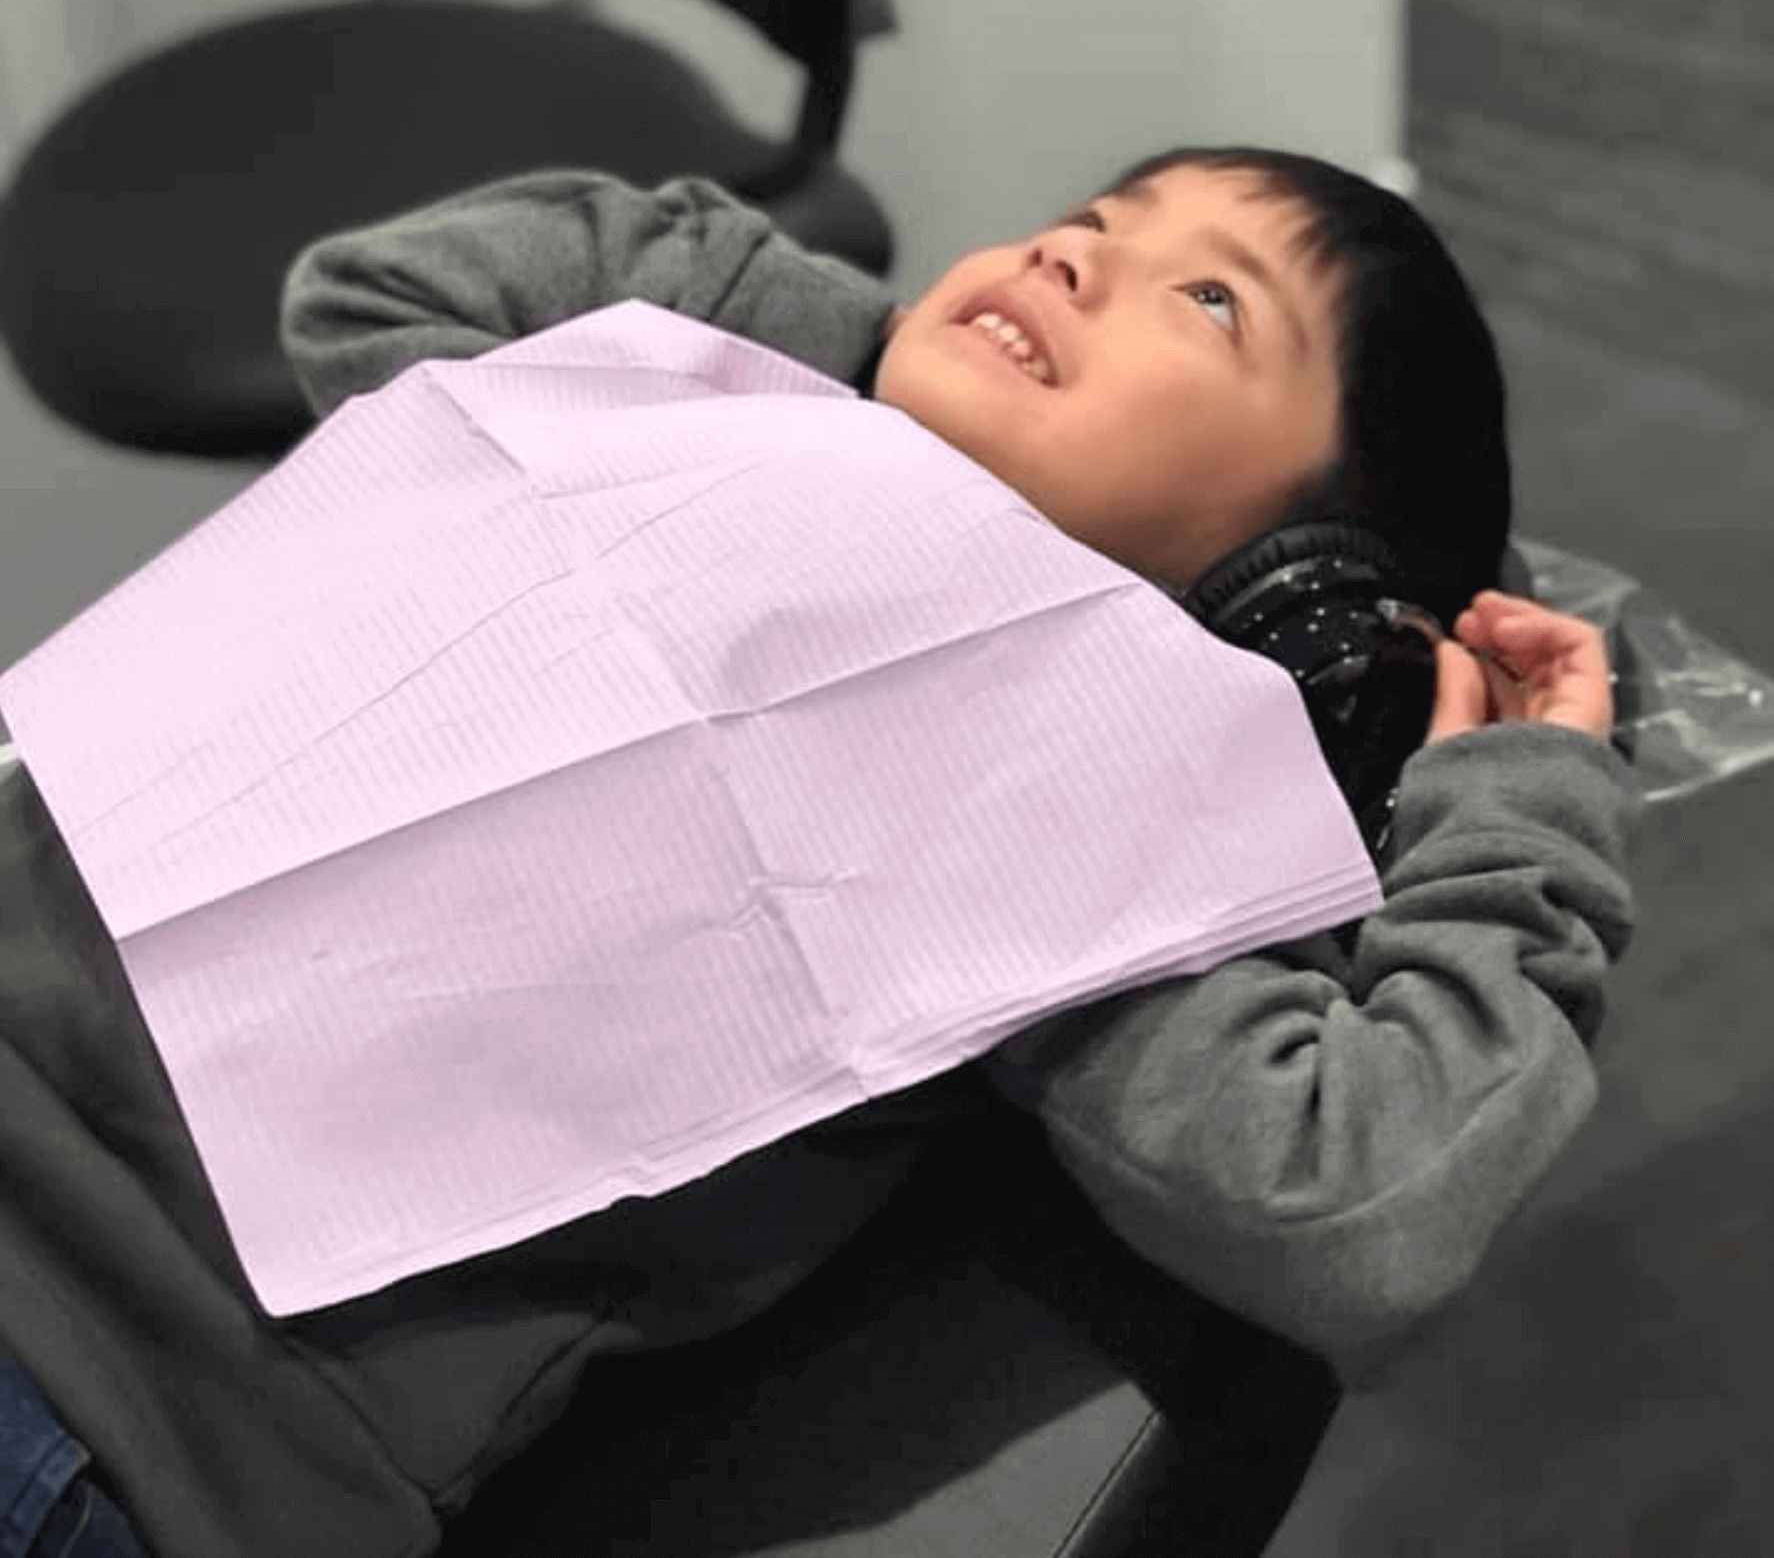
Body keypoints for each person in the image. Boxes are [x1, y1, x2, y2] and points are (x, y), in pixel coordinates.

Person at [0, 147, 1632, 1558]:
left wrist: (1511, 802)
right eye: (1094, 219)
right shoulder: (639, 451)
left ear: (1299, 583)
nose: (1074, 251)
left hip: (94, 1393)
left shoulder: (1090, 800)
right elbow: (376, 292)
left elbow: (1362, 1207)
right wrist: (862, 389)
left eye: (1211, 303)